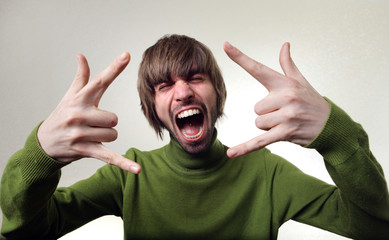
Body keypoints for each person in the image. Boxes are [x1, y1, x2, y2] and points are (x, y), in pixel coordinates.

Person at [0, 34, 388, 239]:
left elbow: (376, 228)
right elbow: (24, 230)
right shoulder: (129, 175)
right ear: (153, 109)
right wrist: (39, 155)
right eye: (164, 85)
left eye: (195, 77)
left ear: (217, 93)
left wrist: (337, 137)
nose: (183, 92)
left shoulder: (268, 174)